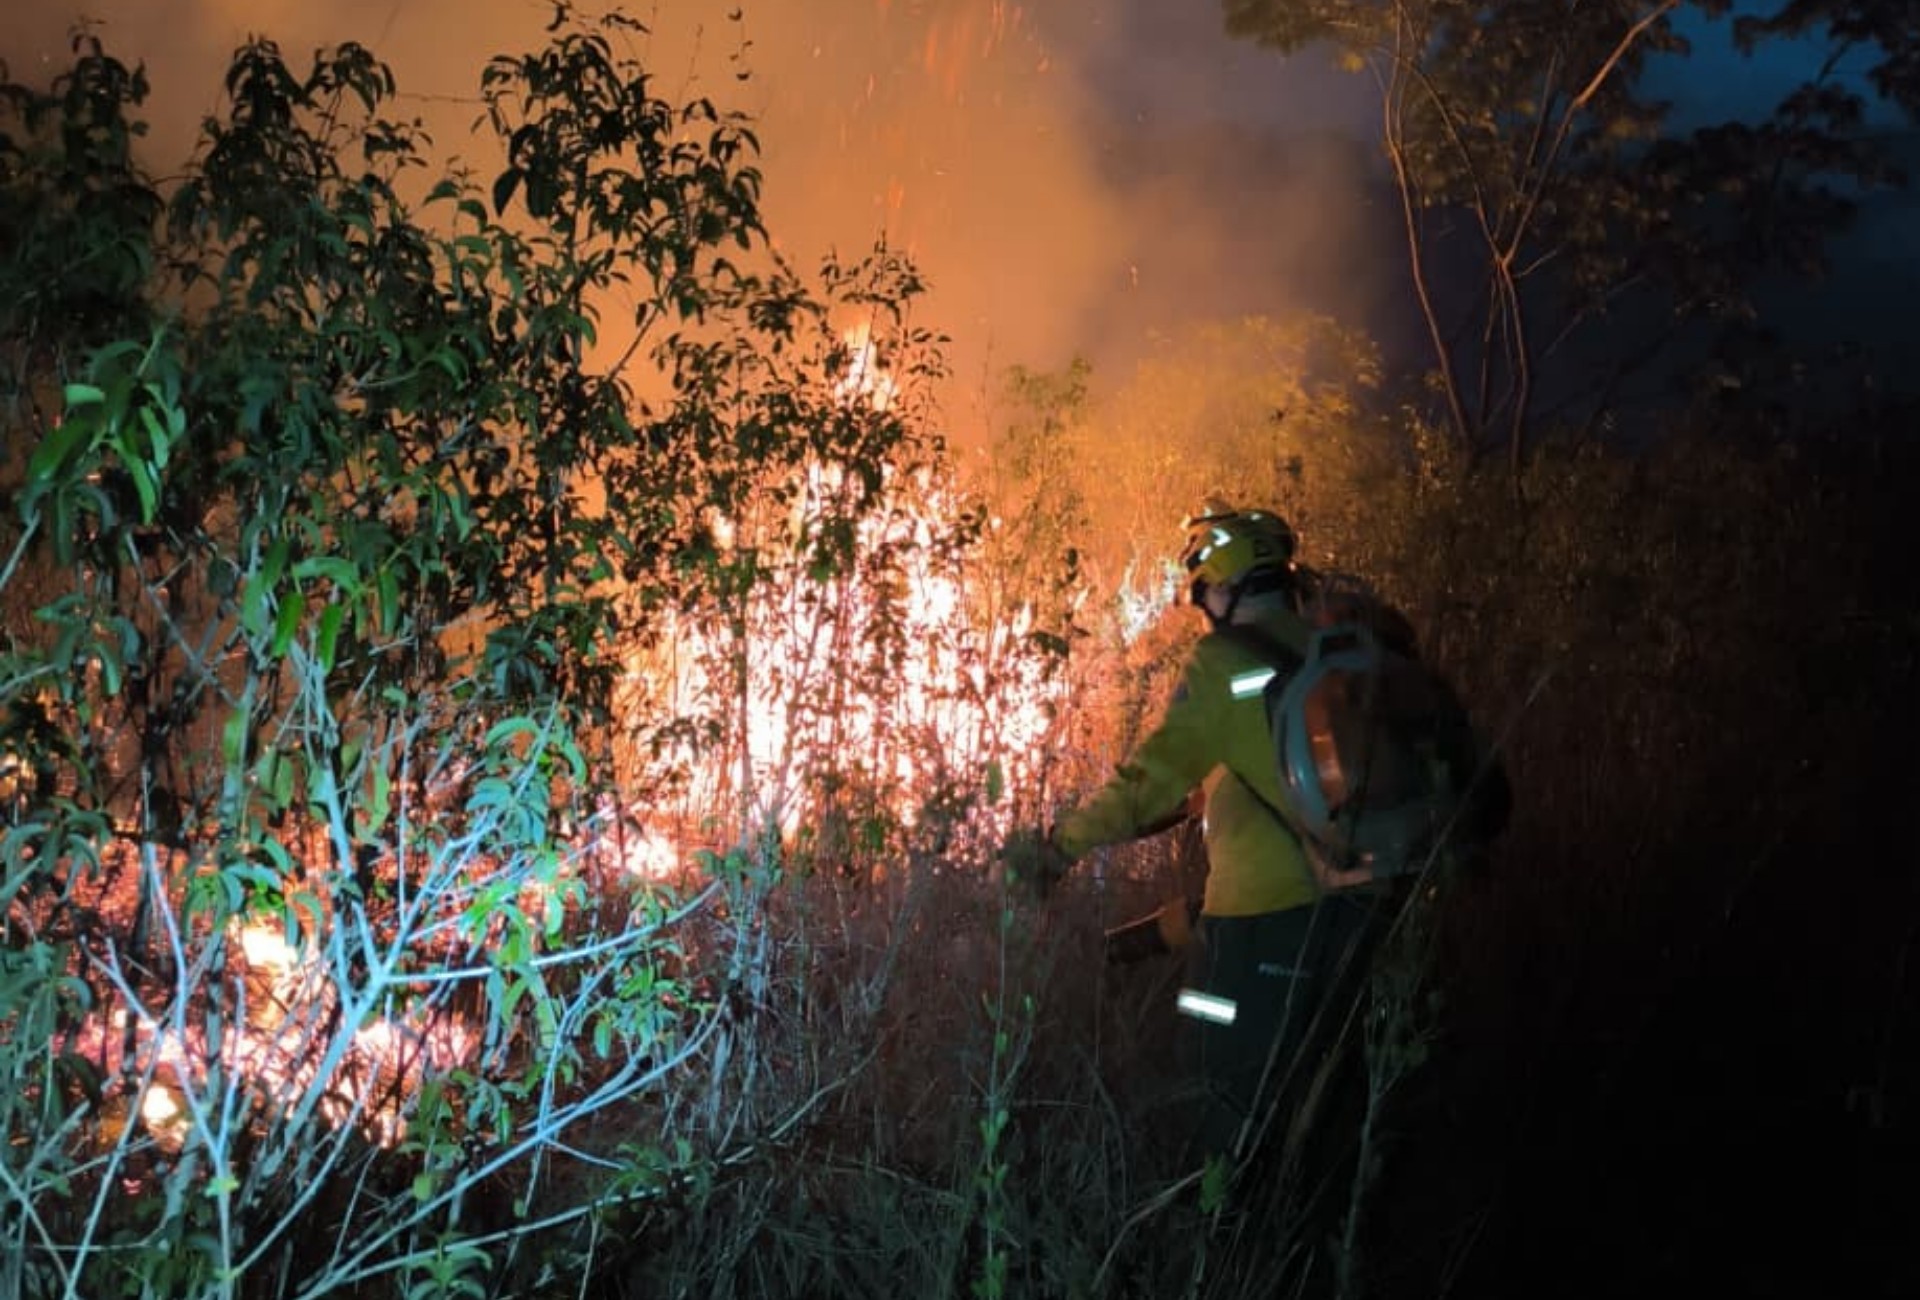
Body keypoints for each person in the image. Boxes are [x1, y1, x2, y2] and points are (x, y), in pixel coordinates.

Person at [1022, 502, 1387, 1161]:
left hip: (1263, 919)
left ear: (1226, 588)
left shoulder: (1225, 663)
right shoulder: (1326, 652)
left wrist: (1057, 848)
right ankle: (1317, 1209)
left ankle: (1222, 1215)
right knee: (1321, 1095)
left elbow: (1148, 781)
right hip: (1360, 909)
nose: (1201, 608)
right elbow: (1258, 768)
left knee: (1218, 1085)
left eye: (1203, 592)